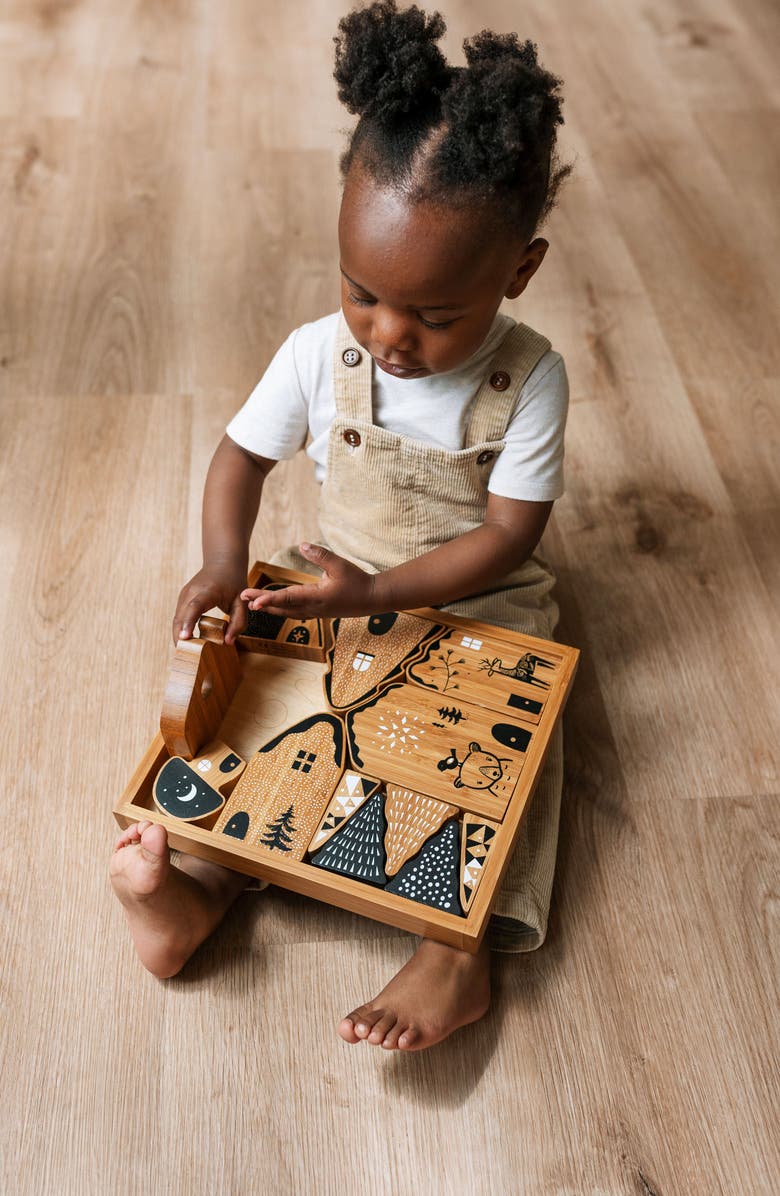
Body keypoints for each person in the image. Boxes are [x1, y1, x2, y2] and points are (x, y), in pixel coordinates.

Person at [111, 0, 571, 1052]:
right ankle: (195, 881)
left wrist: (378, 598)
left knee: (510, 750)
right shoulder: (324, 349)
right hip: (337, 579)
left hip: (477, 601)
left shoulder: (531, 375)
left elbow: (510, 537)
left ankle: (455, 949)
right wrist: (224, 559)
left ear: (521, 270)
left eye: (437, 315)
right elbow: (242, 455)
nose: (391, 336)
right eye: (364, 293)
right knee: (269, 715)